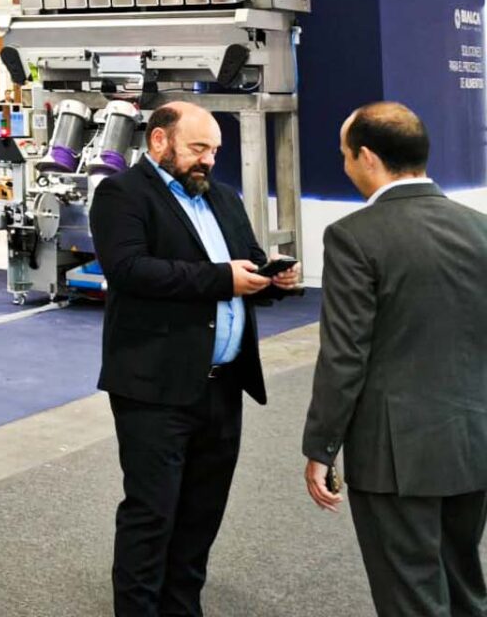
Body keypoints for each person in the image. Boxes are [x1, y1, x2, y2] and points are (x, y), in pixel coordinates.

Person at [89, 100, 300, 617]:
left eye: (215, 150)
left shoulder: (222, 197)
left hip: (223, 386)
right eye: (198, 148)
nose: (208, 159)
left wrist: (272, 278)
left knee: (202, 515)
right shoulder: (121, 194)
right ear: (159, 141)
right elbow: (130, 271)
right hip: (155, 386)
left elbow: (245, 265)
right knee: (151, 516)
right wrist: (223, 278)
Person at [302, 101, 487, 614]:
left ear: (367, 157)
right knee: (464, 586)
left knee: (410, 597)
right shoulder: (480, 229)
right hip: (474, 441)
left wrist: (321, 447)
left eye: (344, 155)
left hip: (394, 455)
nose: (344, 166)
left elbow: (345, 355)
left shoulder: (354, 237)